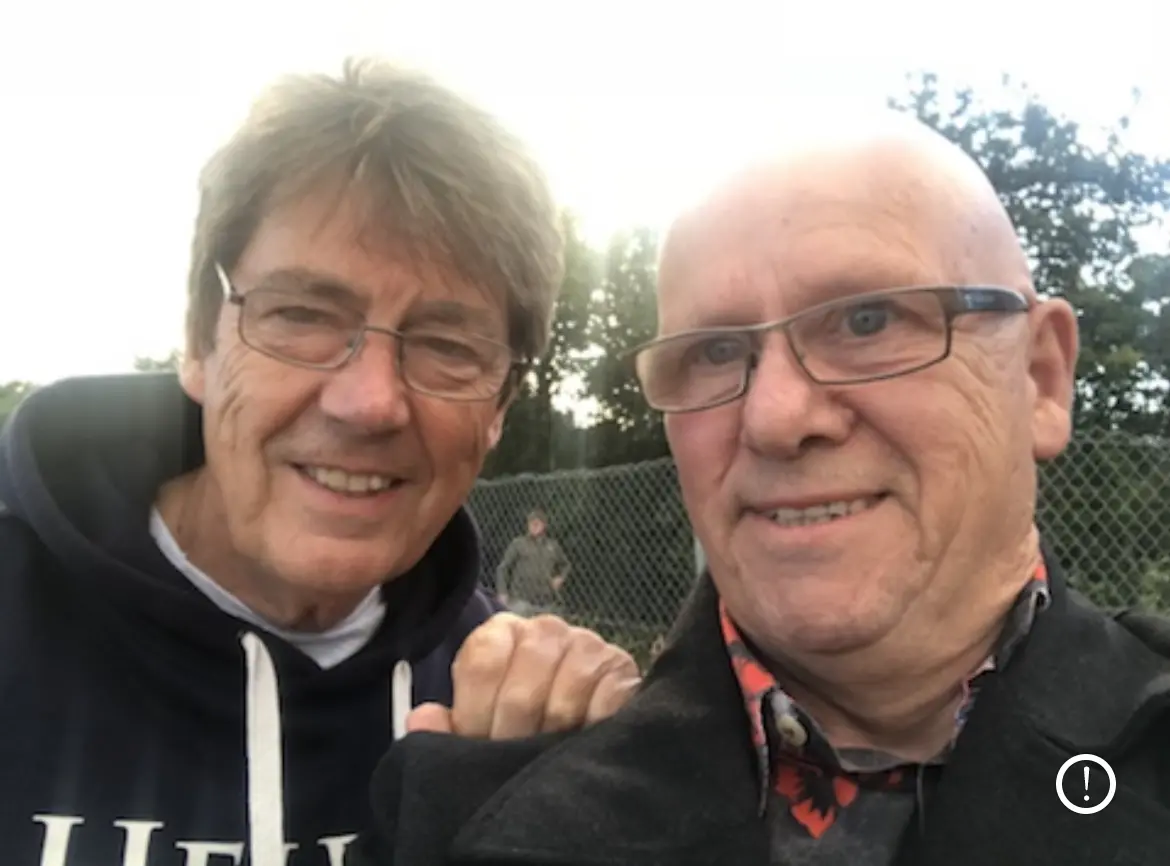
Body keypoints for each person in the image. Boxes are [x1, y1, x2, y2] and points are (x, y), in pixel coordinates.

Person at [351, 115, 1170, 865]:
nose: (776, 418)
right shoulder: (465, 812)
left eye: (868, 321)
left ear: (1040, 378)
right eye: (713, 353)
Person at [0, 59, 640, 866]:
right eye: (302, 315)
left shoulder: (518, 724)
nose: (368, 402)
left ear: (500, 408)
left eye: (447, 346)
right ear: (199, 341)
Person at [495, 508, 571, 615]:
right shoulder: (518, 544)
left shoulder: (553, 546)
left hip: (545, 602)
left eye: (537, 523)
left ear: (544, 525)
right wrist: (502, 592)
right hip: (521, 600)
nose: (534, 526)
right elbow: (503, 568)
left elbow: (565, 565)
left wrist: (560, 577)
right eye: (531, 523)